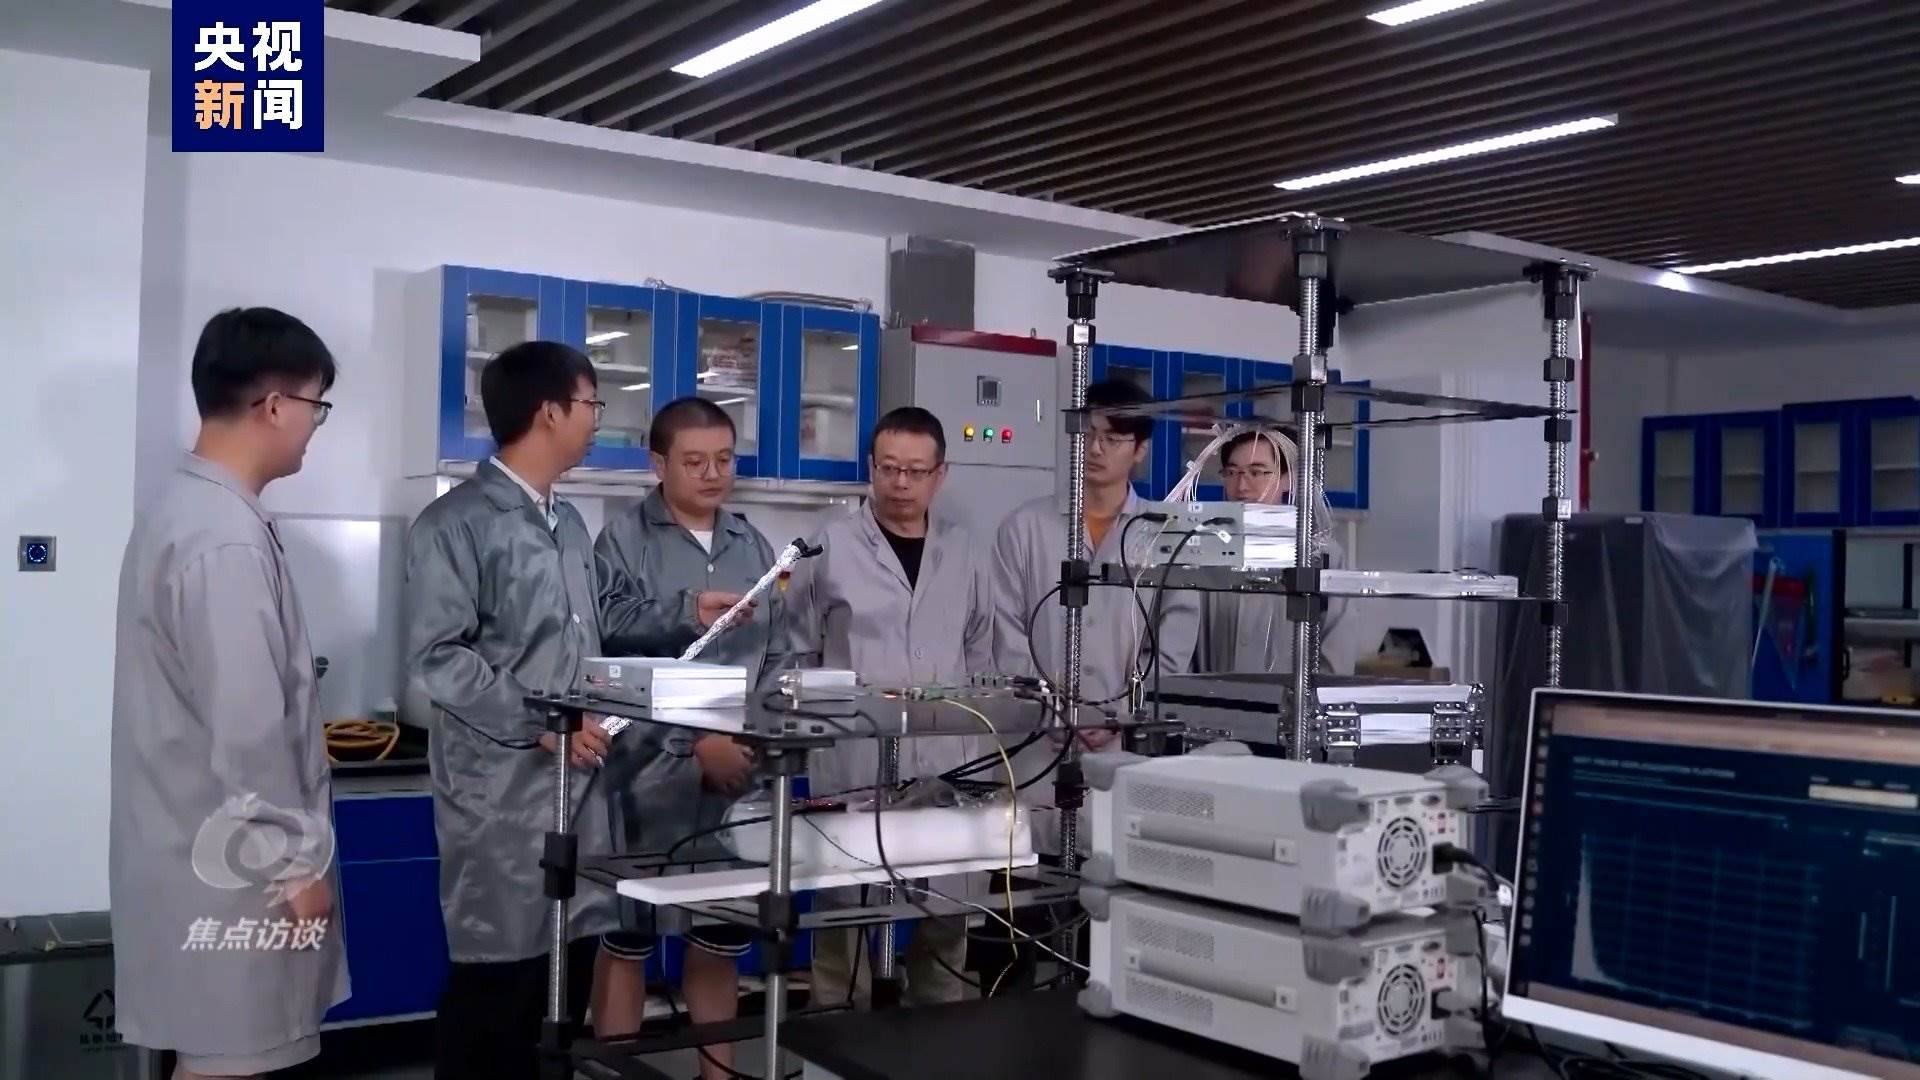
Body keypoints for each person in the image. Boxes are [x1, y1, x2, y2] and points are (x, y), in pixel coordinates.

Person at [109, 307, 348, 1079]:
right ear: (274, 405)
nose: (314, 427)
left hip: (203, 855)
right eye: (315, 405)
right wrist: (296, 866)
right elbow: (246, 726)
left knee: (218, 1059)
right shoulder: (223, 537)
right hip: (237, 877)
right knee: (235, 1060)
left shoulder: (191, 512)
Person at [403, 341, 620, 1080]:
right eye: (591, 403)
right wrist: (541, 722)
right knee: (501, 987)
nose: (597, 419)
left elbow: (588, 636)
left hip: (578, 790)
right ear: (550, 411)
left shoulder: (569, 524)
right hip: (500, 798)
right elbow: (439, 655)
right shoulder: (456, 523)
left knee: (567, 984)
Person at [592, 396, 794, 1079]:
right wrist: (693, 742)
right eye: (695, 461)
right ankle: (615, 1071)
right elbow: (611, 643)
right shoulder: (622, 541)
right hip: (643, 778)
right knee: (627, 938)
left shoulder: (752, 545)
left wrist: (749, 743)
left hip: (734, 776)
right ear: (659, 464)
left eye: (724, 460)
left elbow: (777, 654)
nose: (713, 474)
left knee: (719, 936)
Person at [985, 378, 1202, 990]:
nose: (1097, 448)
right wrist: (1056, 707)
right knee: (1021, 914)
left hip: (1125, 747)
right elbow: (1003, 633)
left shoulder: (1165, 532)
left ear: (1140, 449)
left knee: (1115, 919)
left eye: (1113, 437)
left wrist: (1119, 714)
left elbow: (1175, 644)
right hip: (1038, 747)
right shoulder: (1025, 528)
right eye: (1087, 435)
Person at [786, 407, 994, 1008]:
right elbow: (796, 646)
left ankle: (940, 1041)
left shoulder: (964, 549)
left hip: (945, 758)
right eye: (889, 468)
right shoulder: (828, 545)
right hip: (854, 756)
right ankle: (837, 1039)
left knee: (946, 917)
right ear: (871, 468)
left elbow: (981, 647)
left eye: (916, 471)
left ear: (940, 475)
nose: (901, 483)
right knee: (844, 920)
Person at [1195, 428, 1345, 675]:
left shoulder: (1318, 554)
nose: (1242, 486)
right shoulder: (1202, 549)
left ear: (1288, 478)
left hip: (1290, 698)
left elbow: (1336, 653)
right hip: (1208, 697)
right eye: (1232, 472)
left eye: (1256, 472)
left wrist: (1306, 697)